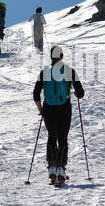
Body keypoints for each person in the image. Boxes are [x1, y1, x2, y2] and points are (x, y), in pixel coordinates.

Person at [33, 44, 84, 186]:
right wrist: (75, 92)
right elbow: (81, 93)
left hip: (49, 109)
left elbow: (36, 95)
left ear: (51, 57)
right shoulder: (69, 71)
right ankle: (61, 168)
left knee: (51, 136)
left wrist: (41, 110)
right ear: (62, 56)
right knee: (62, 138)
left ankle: (52, 167)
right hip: (64, 108)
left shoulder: (45, 72)